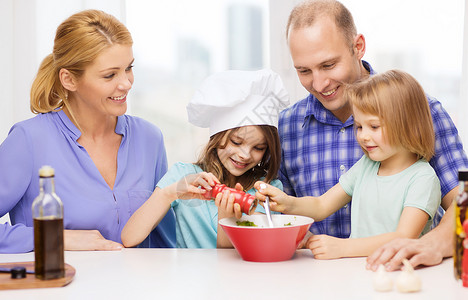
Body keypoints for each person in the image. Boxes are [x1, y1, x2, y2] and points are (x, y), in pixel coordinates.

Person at [279, 0, 468, 258]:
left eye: (328, 65)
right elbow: (284, 217)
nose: (320, 83)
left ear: (358, 47)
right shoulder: (286, 126)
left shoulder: (422, 112)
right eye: (304, 71)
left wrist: (430, 245)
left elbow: (464, 206)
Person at [0, 9, 176, 253]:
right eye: (110, 75)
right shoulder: (28, 141)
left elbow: (165, 242)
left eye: (129, 68)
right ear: (69, 79)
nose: (126, 83)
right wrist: (58, 238)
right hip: (57, 289)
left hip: (138, 290)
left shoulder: (149, 139)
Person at [256, 69, 441, 259]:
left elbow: (403, 237)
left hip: (398, 275)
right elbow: (321, 205)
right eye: (359, 126)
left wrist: (343, 248)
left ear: (408, 125)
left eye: (374, 126)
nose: (363, 136)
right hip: (359, 273)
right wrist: (288, 204)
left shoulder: (423, 179)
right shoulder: (367, 166)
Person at [121, 69, 289, 248]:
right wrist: (171, 192)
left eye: (258, 148)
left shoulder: (265, 190)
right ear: (218, 136)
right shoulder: (183, 174)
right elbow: (130, 238)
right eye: (236, 141)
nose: (245, 155)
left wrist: (227, 217)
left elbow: (238, 262)